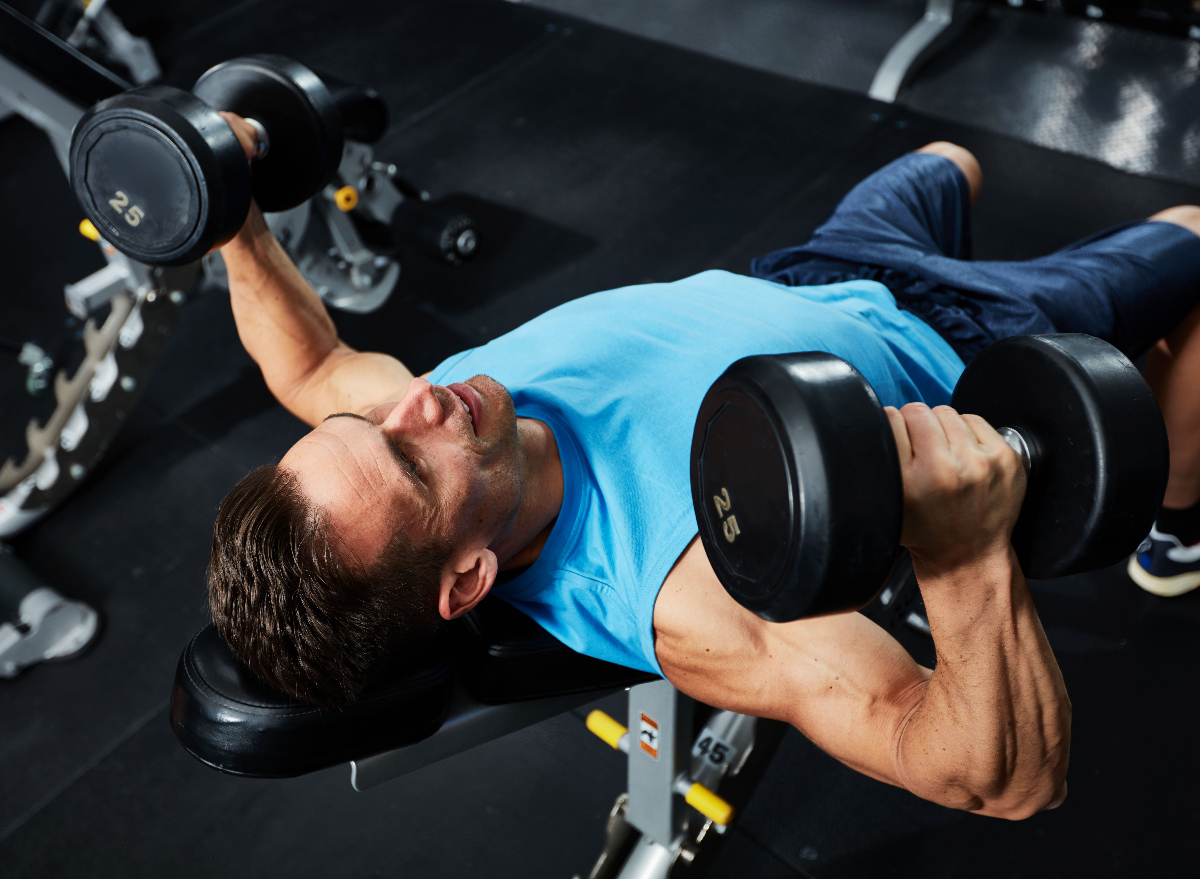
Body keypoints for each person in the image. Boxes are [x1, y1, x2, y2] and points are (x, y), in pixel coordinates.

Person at [206, 112, 1200, 819]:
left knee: (951, 156)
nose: (418, 401)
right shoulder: (690, 594)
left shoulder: (417, 419)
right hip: (973, 345)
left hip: (825, 267)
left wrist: (230, 204)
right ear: (467, 577)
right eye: (412, 462)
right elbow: (996, 780)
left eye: (375, 424)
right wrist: (970, 555)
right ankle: (1178, 514)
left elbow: (313, 363)